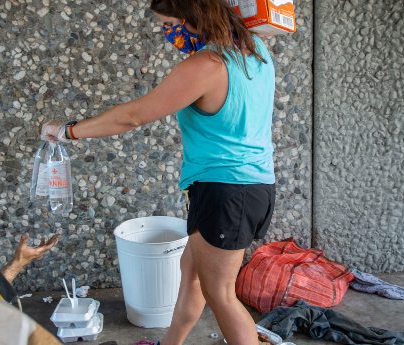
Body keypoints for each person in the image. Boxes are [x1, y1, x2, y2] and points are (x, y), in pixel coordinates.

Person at [42, 0, 276, 343]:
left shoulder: (207, 64)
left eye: (169, 23)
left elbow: (133, 116)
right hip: (243, 189)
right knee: (192, 274)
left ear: (192, 16)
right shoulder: (255, 51)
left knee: (221, 294)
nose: (168, 32)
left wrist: (68, 131)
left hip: (227, 193)